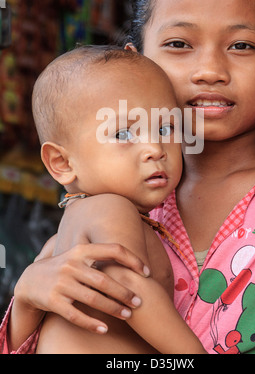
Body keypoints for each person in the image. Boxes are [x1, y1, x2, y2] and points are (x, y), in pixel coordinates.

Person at [1, 0, 255, 354]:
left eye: (241, 46)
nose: (210, 70)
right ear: (136, 63)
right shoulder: (120, 195)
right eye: (179, 44)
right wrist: (27, 303)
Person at [15, 45, 205, 354]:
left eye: (165, 127)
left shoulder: (64, 235)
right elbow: (129, 288)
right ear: (62, 163)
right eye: (123, 135)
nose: (155, 148)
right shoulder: (110, 208)